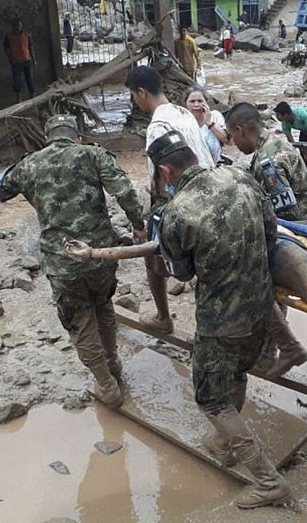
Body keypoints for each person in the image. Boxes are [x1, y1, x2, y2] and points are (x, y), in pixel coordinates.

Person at [0, 115, 145, 409]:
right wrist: (138, 225)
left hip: (63, 262)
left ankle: (107, 385)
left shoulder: (29, 164)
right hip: (102, 256)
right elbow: (124, 191)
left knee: (80, 322)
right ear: (77, 137)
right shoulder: (94, 154)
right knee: (103, 305)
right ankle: (113, 363)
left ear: (48, 138)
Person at [149, 129, 290, 509]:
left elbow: (179, 273)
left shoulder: (177, 211)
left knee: (211, 398)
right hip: (262, 310)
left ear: (166, 171)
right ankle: (227, 444)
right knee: (238, 374)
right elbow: (271, 233)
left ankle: (267, 480)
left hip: (221, 321)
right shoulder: (241, 176)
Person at [226, 102, 307, 378]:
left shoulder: (268, 162)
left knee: (251, 277)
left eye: (233, 139)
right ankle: (268, 351)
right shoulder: (276, 141)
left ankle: (280, 348)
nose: (233, 145)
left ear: (241, 131)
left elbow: (282, 214)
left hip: (299, 233)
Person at [125, 65, 214, 336]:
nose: (134, 101)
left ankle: (164, 316)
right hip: (208, 186)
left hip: (181, 197)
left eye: (133, 95)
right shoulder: (184, 112)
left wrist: (147, 219)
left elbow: (161, 177)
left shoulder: (158, 126)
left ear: (141, 93)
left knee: (152, 256)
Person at [183, 85, 230, 164]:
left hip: (217, 165)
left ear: (206, 102)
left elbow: (228, 141)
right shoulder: (182, 122)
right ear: (186, 103)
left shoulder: (215, 116)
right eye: (192, 101)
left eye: (200, 101)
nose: (196, 105)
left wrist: (209, 123)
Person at [273, 101, 307, 166]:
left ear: (285, 115)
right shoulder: (285, 123)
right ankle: (305, 166)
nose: (276, 117)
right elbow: (291, 140)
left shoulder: (300, 114)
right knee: (302, 149)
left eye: (278, 115)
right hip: (304, 128)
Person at [3, 18, 35, 103]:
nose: (17, 28)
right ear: (12, 27)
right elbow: (6, 49)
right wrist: (11, 58)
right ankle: (18, 98)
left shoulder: (27, 35)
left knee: (30, 79)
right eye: (15, 26)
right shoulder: (8, 36)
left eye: (18, 26)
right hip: (16, 62)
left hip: (27, 60)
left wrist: (33, 59)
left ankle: (32, 95)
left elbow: (31, 47)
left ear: (21, 26)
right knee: (17, 81)